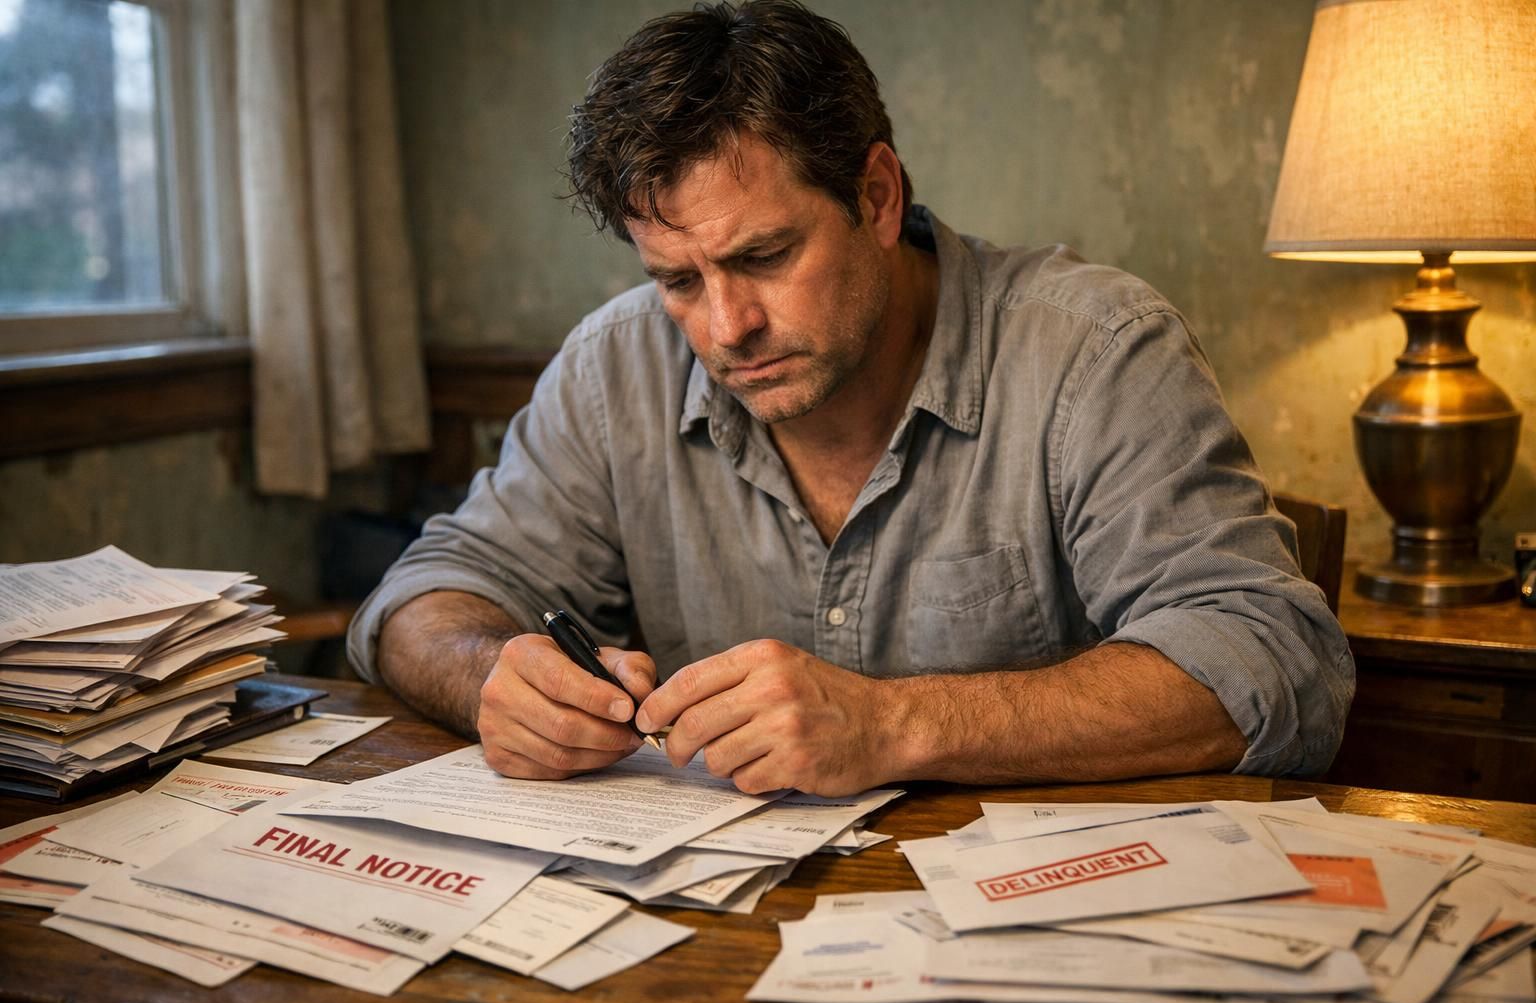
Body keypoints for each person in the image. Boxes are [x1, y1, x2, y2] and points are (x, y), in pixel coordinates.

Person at [348, 0, 1353, 797]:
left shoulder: (1092, 351)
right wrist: (492, 673)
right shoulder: (615, 368)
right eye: (680, 279)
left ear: (878, 197)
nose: (724, 326)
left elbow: (1272, 662)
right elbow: (420, 596)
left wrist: (891, 723)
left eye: (765, 255)